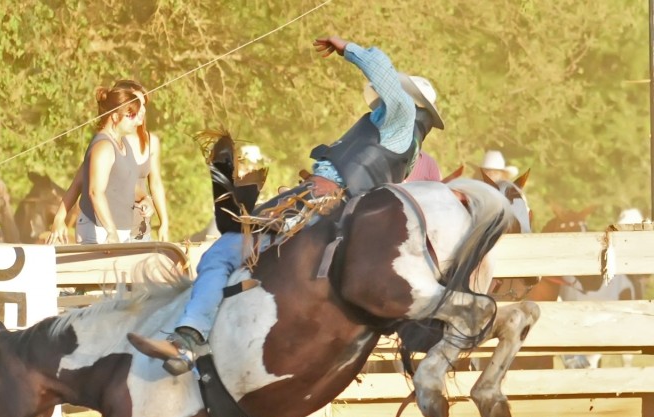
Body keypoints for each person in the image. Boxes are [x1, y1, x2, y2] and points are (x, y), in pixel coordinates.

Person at [128, 35, 445, 375]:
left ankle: (190, 337)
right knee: (233, 248)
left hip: (319, 203)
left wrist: (347, 48)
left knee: (224, 252)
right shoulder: (402, 145)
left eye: (391, 94)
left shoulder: (399, 120)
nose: (380, 98)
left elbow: (386, 78)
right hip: (324, 205)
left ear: (412, 104)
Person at [47, 80, 170, 244]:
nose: (137, 120)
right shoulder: (104, 146)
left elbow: (124, 183)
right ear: (115, 116)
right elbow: (93, 191)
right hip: (99, 229)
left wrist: (145, 198)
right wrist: (110, 231)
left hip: (121, 230)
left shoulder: (123, 143)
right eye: (131, 115)